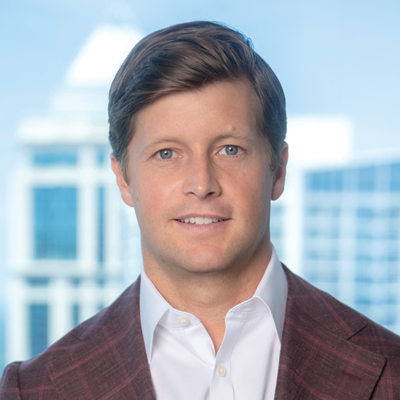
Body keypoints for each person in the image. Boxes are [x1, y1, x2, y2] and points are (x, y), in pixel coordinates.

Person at [1, 21, 400, 400]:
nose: (201, 183)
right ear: (123, 179)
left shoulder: (393, 372)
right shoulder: (33, 390)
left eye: (230, 149)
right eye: (167, 153)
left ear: (277, 170)